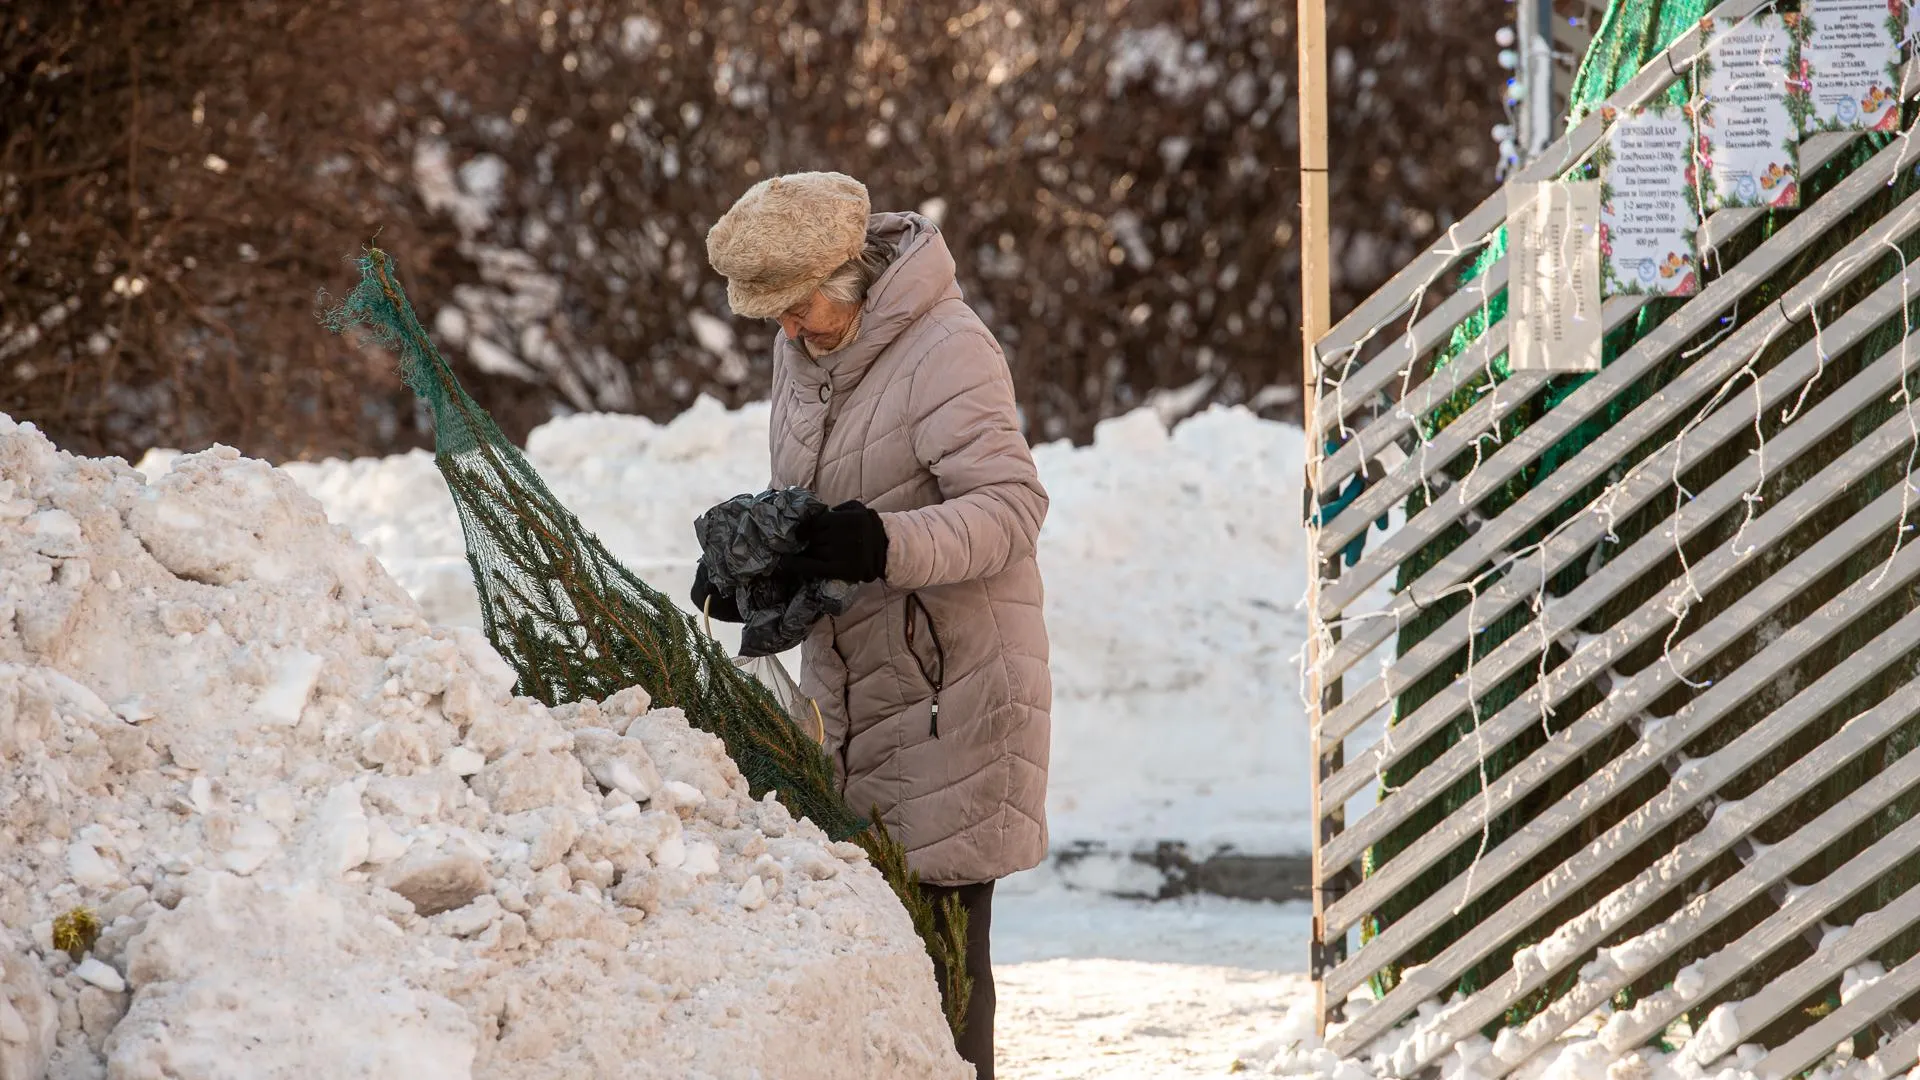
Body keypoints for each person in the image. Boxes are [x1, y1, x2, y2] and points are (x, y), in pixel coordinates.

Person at [693, 171, 1051, 1078]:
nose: (784, 329)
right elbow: (816, 505)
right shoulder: (807, 351)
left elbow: (1011, 509)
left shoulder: (948, 350)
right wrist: (766, 563)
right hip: (849, 694)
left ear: (847, 276)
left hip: (950, 694)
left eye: (796, 307)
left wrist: (879, 542)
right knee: (873, 954)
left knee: (944, 963)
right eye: (769, 314)